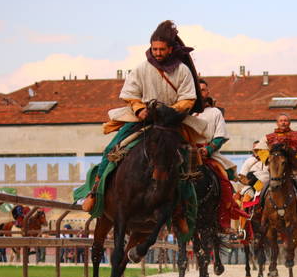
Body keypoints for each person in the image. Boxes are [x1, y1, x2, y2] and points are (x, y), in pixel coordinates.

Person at [76, 20, 205, 237]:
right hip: (143, 119)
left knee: (187, 163)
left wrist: (170, 112)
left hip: (171, 122)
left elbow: (188, 98)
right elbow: (130, 93)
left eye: (161, 49)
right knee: (112, 150)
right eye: (154, 49)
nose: (157, 53)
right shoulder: (142, 68)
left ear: (171, 48)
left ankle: (180, 212)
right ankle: (94, 194)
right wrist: (139, 109)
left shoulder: (182, 70)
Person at [193, 79, 247, 234]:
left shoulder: (215, 112)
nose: (200, 92)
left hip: (208, 154)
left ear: (207, 93)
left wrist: (207, 150)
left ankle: (223, 222)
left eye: (203, 90)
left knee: (224, 181)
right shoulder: (186, 111)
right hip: (187, 153)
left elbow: (220, 136)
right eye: (198, 90)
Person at [256, 113, 297, 237]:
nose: (283, 123)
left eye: (286, 120)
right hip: (274, 171)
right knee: (259, 189)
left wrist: (294, 161)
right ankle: (258, 214)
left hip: (293, 171)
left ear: (289, 122)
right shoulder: (268, 137)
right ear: (277, 122)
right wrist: (272, 160)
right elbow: (261, 149)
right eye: (281, 120)